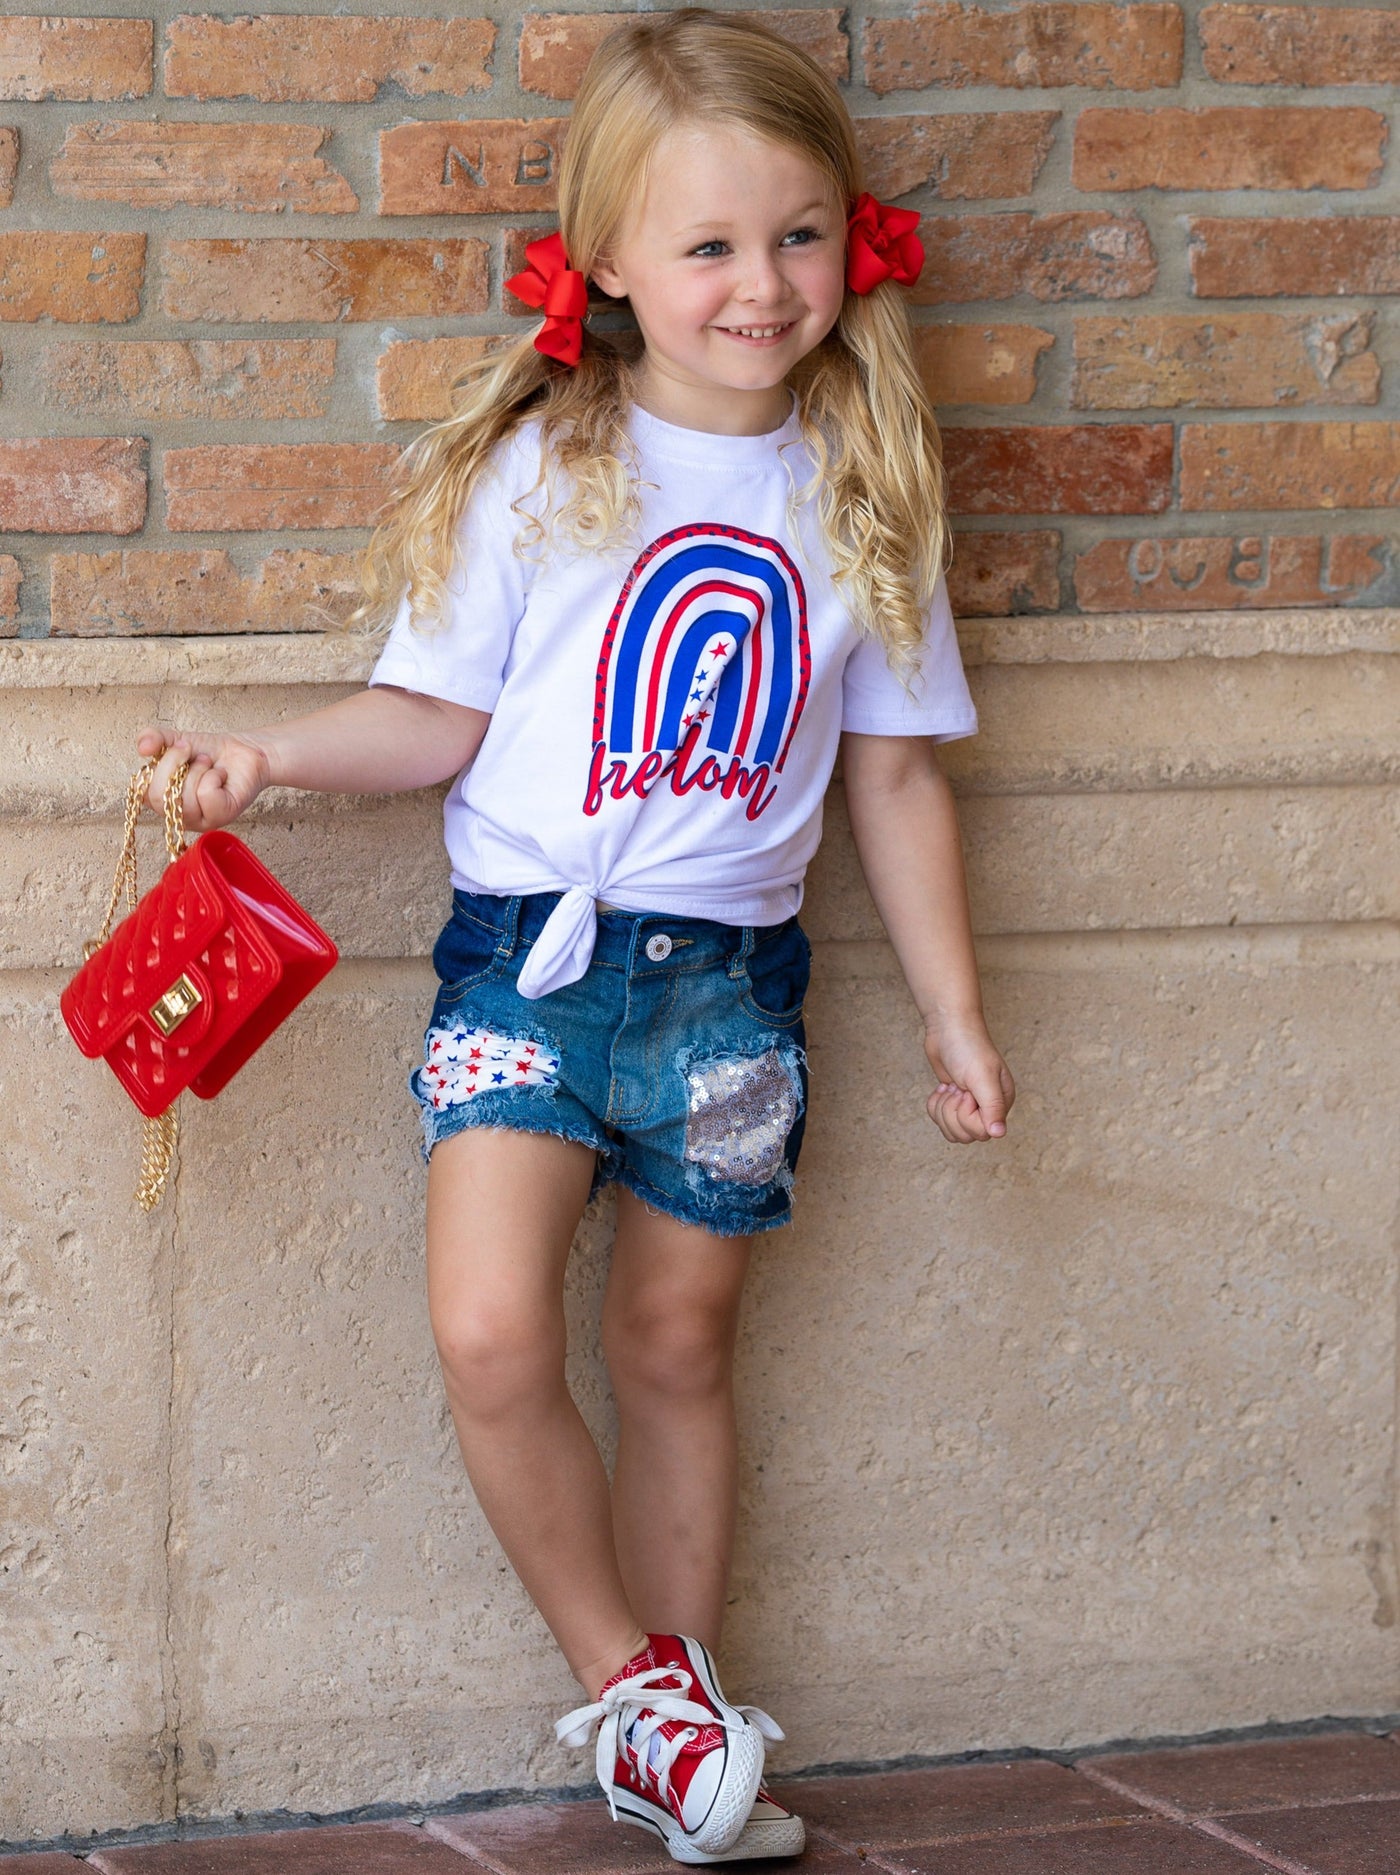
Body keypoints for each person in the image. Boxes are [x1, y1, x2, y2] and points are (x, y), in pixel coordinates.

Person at [137, 10, 1014, 1863]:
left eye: (798, 234)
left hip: (732, 995)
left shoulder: (864, 490)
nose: (761, 285)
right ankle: (645, 1697)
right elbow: (434, 719)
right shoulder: (547, 471)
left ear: (853, 240)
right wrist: (268, 755)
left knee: (680, 1348)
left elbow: (903, 784)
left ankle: (693, 1759)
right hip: (527, 964)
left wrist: (955, 1012)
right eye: (706, 245)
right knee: (487, 1333)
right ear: (609, 262)